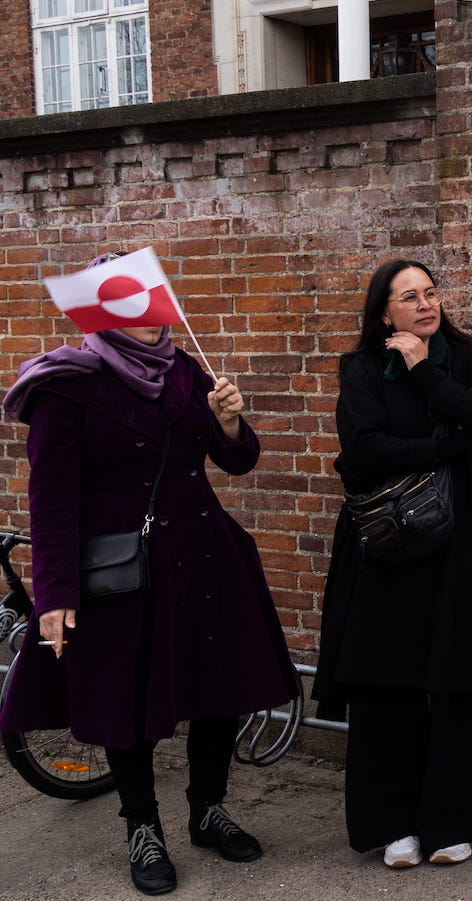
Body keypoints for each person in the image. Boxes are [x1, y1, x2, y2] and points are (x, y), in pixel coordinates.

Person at [0, 254, 299, 897]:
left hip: (208, 557)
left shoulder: (186, 370)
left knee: (220, 688)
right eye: (126, 304)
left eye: (149, 300)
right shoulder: (66, 387)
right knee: (126, 702)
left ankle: (207, 809)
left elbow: (237, 460)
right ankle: (143, 827)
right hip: (124, 574)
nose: (145, 316)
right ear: (100, 312)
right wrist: (53, 594)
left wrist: (228, 421)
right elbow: (51, 501)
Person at [311, 259, 472, 868]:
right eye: (409, 297)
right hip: (389, 546)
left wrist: (427, 373)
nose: (425, 305)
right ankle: (393, 824)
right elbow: (364, 447)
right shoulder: (365, 369)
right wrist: (442, 448)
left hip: (461, 548)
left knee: (455, 680)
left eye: (430, 293)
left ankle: (451, 822)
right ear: (384, 313)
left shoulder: (465, 359)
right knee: (388, 683)